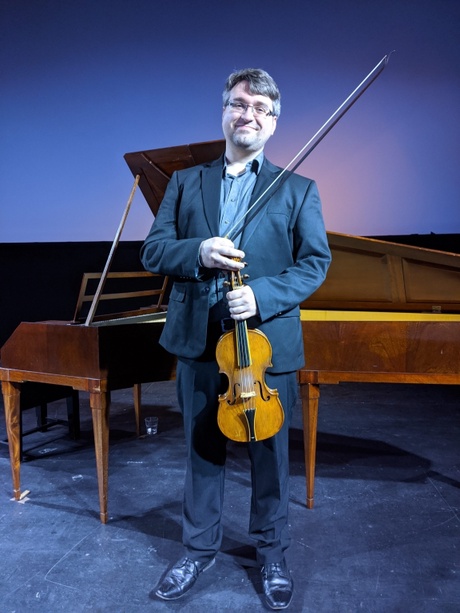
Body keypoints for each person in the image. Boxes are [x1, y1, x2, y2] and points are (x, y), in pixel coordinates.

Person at [140, 67, 331, 610]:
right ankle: (197, 550)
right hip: (200, 341)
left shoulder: (298, 189)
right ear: (224, 110)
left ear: (273, 124)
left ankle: (272, 553)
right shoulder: (185, 182)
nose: (249, 116)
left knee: (270, 454)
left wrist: (263, 296)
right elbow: (154, 252)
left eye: (262, 110)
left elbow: (314, 264)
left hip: (266, 343)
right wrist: (196, 252)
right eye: (240, 105)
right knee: (202, 450)